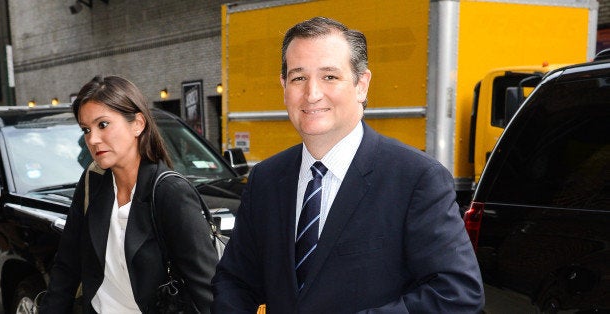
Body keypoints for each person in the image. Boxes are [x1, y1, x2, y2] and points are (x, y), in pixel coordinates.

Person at [211, 17, 484, 313]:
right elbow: (235, 281)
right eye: (298, 78)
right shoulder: (266, 179)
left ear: (361, 85)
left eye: (329, 77)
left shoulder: (416, 178)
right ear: (284, 86)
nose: (312, 93)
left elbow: (456, 293)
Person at [40, 75, 217, 313]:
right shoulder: (93, 182)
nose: (92, 139)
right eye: (86, 129)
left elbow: (207, 288)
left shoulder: (170, 192)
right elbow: (67, 266)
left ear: (138, 124)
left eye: (103, 124)